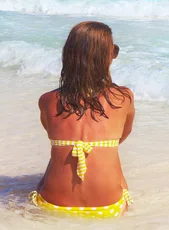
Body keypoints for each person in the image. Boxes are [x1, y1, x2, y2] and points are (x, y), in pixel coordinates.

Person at [29, 21, 135, 218]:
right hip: (108, 207)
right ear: (107, 57)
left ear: (68, 56)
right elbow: (121, 137)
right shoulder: (124, 98)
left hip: (52, 203)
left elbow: (52, 133)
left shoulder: (47, 100)